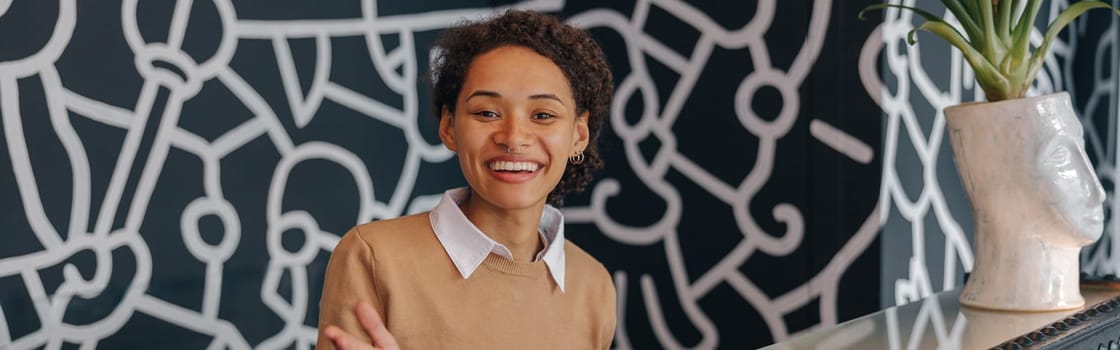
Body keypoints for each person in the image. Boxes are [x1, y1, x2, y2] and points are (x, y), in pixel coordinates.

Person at [316, 10, 616, 349]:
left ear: (579, 135)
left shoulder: (593, 286)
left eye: (543, 115)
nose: (514, 137)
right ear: (449, 127)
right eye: (487, 113)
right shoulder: (373, 257)